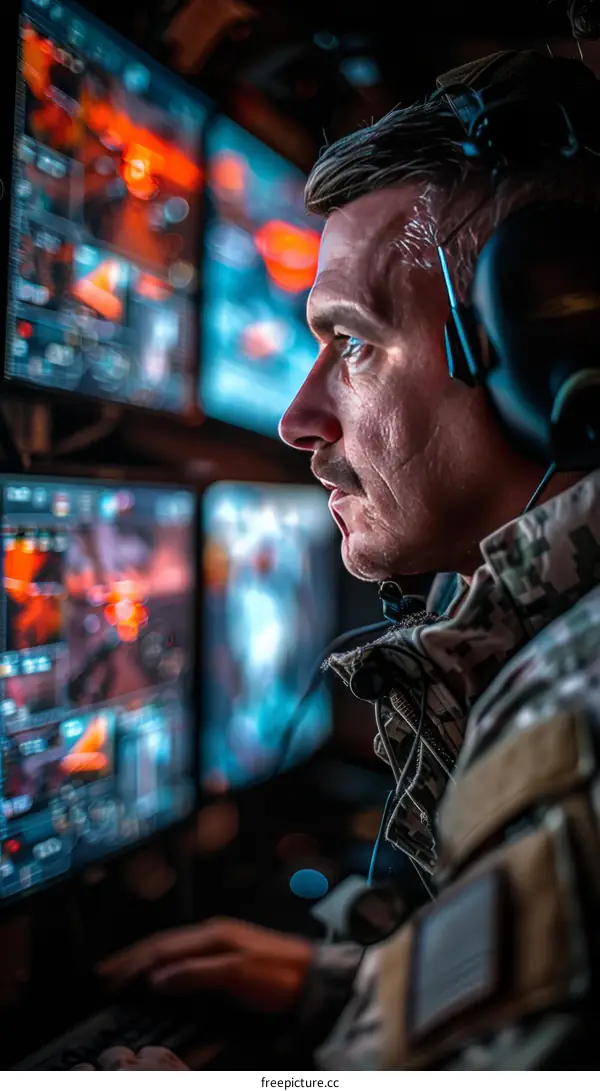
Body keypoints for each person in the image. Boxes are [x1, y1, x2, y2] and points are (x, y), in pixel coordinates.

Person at [93, 47, 600, 1070]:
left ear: (530, 354)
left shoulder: (572, 730)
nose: (296, 417)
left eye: (354, 341)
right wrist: (376, 995)